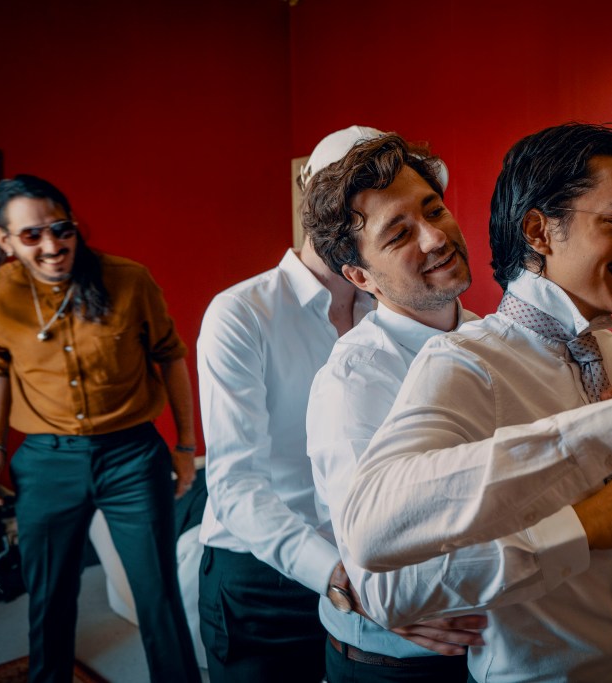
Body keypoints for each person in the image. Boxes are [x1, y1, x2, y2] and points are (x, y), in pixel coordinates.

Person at [338, 122, 612, 682]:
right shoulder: (466, 363)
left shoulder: (611, 354)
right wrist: (586, 510)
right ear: (539, 230)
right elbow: (375, 536)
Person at [306, 133, 612, 681]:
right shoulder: (353, 381)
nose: (435, 238)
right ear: (359, 276)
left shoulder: (497, 341)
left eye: (434, 210)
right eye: (399, 234)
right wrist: (582, 529)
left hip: (502, 644)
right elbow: (384, 579)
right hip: (396, 665)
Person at [196, 125, 482, 683]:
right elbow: (234, 485)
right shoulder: (242, 314)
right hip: (262, 574)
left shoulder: (398, 305)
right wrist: (342, 577)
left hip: (371, 560)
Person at [0, 174, 201, 683]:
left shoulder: (129, 280)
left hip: (132, 457)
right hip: (47, 462)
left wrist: (184, 445)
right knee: (49, 598)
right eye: (32, 235)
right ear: (4, 240)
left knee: (158, 596)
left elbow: (171, 357)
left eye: (61, 229)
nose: (51, 246)